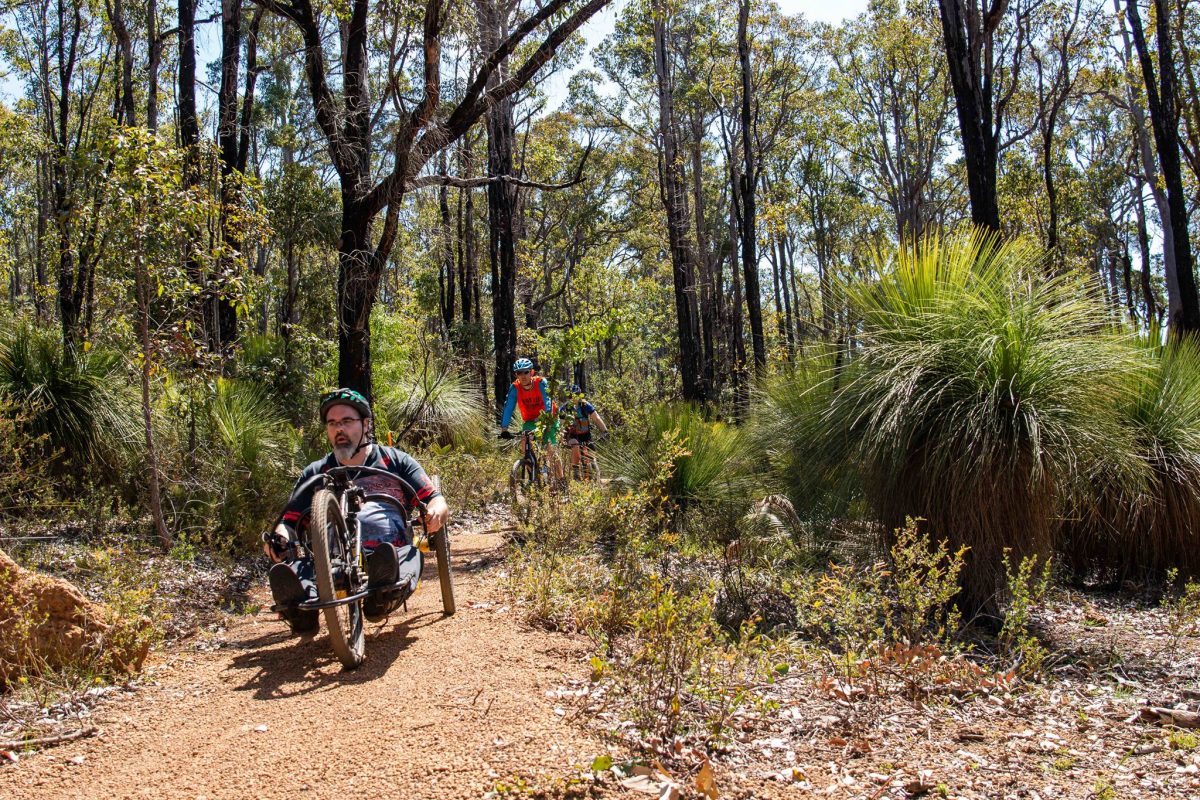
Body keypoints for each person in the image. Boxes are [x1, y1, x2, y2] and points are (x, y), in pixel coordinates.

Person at [264, 388, 450, 634]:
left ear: (365, 424)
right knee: (294, 571)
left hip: (389, 552)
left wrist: (436, 511)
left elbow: (435, 499)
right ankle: (300, 612)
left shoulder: (395, 460)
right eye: (332, 423)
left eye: (347, 421)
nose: (339, 429)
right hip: (329, 558)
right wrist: (281, 537)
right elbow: (289, 520)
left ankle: (382, 597)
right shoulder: (315, 472)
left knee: (403, 559)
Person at [498, 358, 562, 482]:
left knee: (551, 450)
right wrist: (504, 428)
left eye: (525, 372)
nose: (522, 376)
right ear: (516, 375)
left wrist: (545, 418)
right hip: (530, 421)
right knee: (525, 445)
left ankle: (561, 481)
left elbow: (547, 401)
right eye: (519, 373)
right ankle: (534, 478)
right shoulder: (515, 387)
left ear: (531, 372)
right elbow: (508, 407)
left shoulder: (540, 383)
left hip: (548, 418)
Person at [562, 384, 608, 478]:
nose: (573, 398)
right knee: (575, 445)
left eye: (576, 395)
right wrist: (560, 437)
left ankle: (596, 475)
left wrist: (605, 431)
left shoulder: (585, 405)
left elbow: (596, 418)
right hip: (572, 435)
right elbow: (560, 424)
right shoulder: (565, 408)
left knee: (591, 451)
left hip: (585, 434)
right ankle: (576, 472)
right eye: (571, 396)